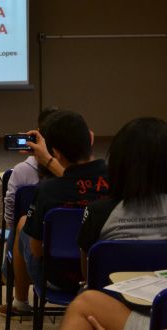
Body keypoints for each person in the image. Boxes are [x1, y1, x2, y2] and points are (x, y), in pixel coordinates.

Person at [59, 117, 167, 330]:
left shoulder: (99, 213)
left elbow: (88, 274)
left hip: (121, 311)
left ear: (119, 165)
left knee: (84, 303)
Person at [0, 110, 110, 316]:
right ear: (91, 138)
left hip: (57, 279)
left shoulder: (48, 191)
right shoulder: (117, 180)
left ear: (56, 153)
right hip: (105, 273)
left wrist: (47, 160)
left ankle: (20, 302)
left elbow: (37, 250)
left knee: (22, 223)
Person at [3, 106, 59, 229]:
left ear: (38, 133)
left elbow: (10, 215)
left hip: (25, 232)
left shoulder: (21, 171)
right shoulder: (76, 173)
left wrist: (16, 230)